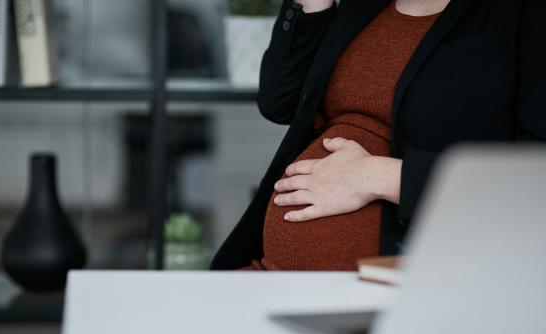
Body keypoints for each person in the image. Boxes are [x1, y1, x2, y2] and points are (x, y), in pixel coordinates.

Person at [211, 0, 546, 270]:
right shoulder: (364, 7)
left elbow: (533, 178)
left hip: (414, 287)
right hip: (271, 272)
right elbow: (279, 102)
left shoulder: (523, 14)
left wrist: (378, 177)